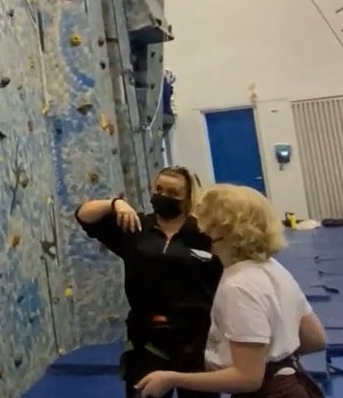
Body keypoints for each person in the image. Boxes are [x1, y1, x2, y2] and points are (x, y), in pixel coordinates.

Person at [136, 184, 328, 398]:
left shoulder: (238, 285)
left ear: (222, 228)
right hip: (293, 382)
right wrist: (273, 358)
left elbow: (247, 378)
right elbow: (314, 338)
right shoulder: (272, 268)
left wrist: (171, 378)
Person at [75, 166, 223, 398]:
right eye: (159, 189)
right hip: (147, 335)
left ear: (187, 198)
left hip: (197, 337)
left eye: (173, 193)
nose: (164, 196)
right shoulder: (135, 226)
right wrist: (115, 204)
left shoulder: (205, 233)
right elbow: (83, 215)